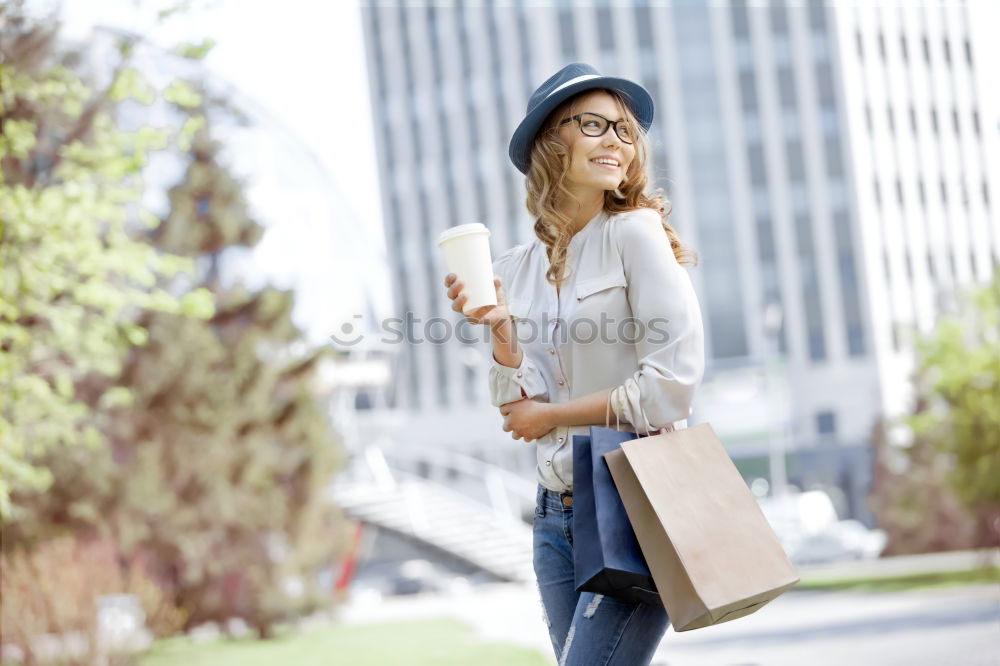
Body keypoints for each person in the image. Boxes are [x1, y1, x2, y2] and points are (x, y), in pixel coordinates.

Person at [443, 62, 705, 666]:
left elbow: (672, 388)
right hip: (554, 519)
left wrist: (553, 414)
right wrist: (502, 331)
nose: (616, 140)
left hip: (635, 504)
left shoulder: (636, 234)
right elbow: (517, 410)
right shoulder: (512, 266)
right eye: (594, 124)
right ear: (549, 144)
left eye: (624, 129)